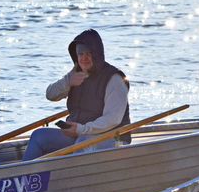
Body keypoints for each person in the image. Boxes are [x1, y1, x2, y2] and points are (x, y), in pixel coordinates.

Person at [23, 28, 131, 161]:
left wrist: (81, 129)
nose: (84, 58)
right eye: (80, 54)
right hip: (79, 135)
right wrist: (67, 81)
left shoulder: (114, 79)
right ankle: (24, 179)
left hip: (112, 139)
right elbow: (50, 95)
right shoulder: (75, 75)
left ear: (97, 54)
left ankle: (67, 179)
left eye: (88, 53)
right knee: (39, 136)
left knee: (83, 143)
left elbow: (113, 119)